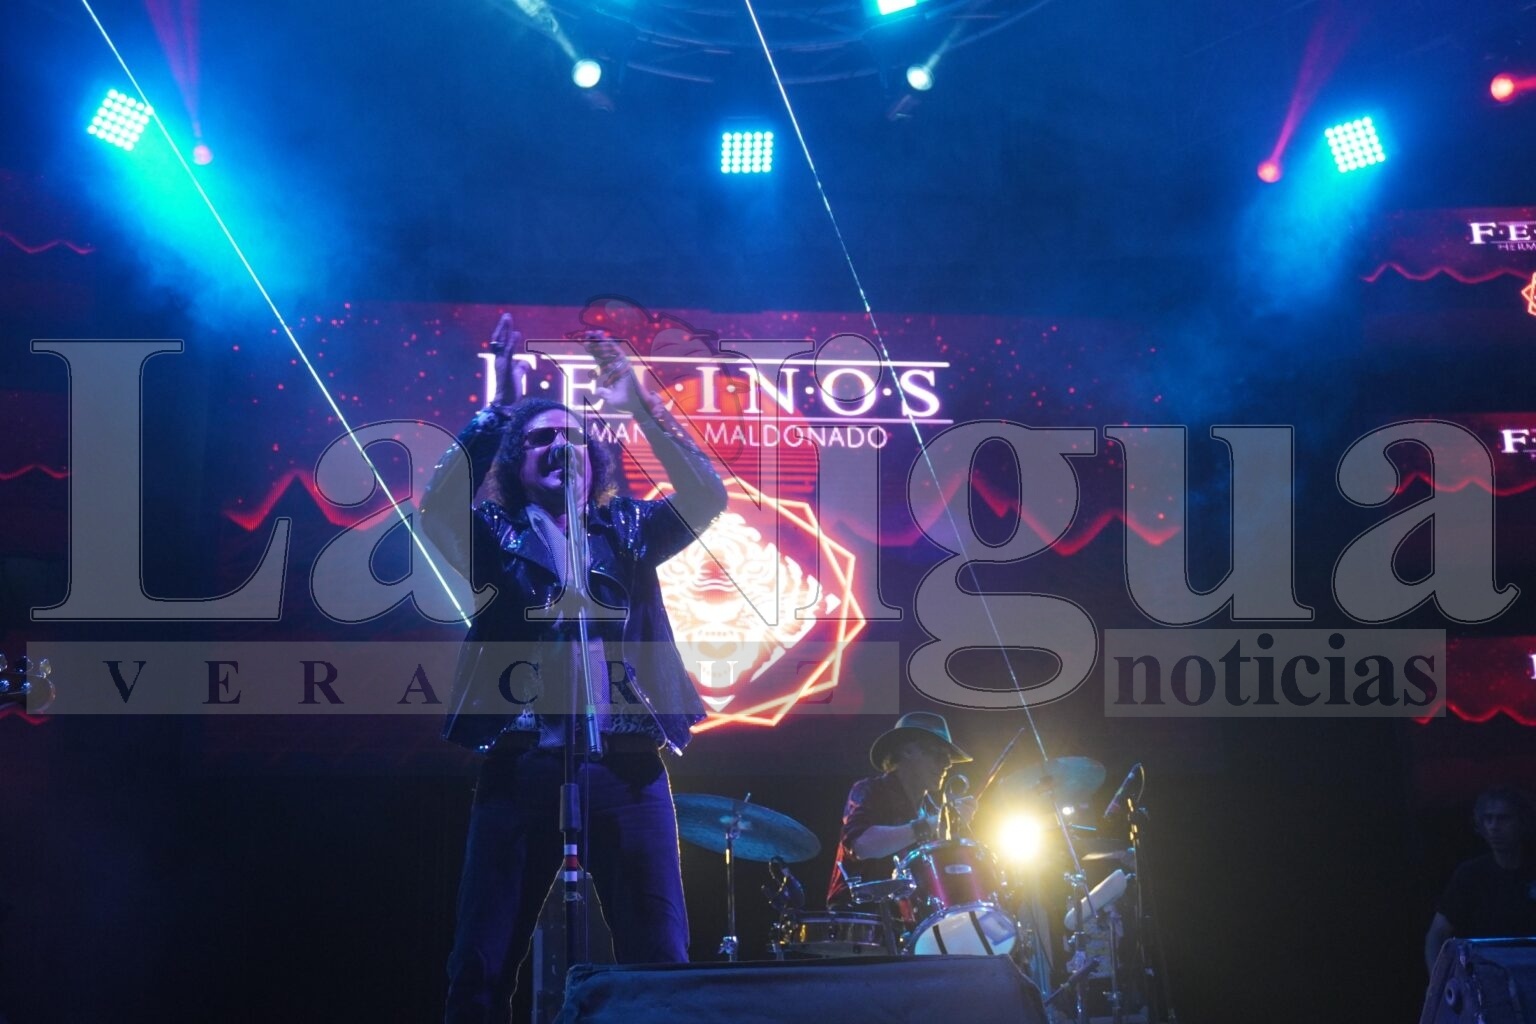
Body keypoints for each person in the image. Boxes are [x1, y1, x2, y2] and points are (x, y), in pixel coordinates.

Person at [421, 317, 727, 1024]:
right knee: (479, 966)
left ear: (595, 460)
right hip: (523, 764)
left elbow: (707, 496)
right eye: (540, 438)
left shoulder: (627, 533)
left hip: (627, 770)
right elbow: (436, 507)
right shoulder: (495, 543)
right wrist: (498, 406)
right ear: (515, 461)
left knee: (662, 963)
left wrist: (642, 403)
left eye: (573, 436)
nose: (560, 444)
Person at [826, 711, 977, 909]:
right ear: (907, 750)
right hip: (860, 921)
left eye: (948, 759)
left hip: (908, 925)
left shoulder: (931, 808)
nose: (947, 765)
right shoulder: (870, 790)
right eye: (938, 755)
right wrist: (932, 823)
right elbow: (862, 846)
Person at [1423, 786, 1536, 973]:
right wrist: (1438, 984)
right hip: (1485, 982)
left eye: (1503, 818)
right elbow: (1437, 933)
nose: (1493, 826)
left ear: (1522, 822)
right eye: (1488, 819)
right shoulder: (1470, 874)